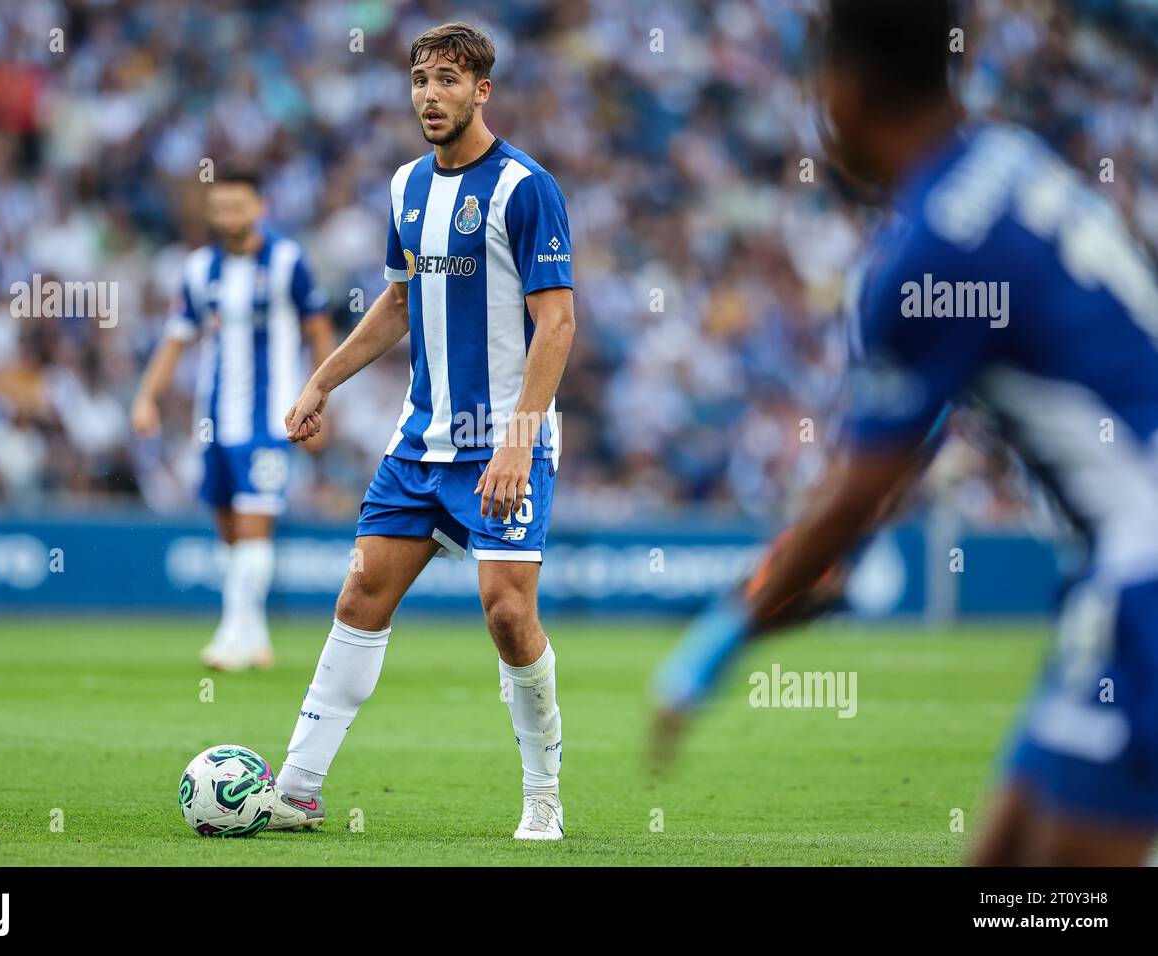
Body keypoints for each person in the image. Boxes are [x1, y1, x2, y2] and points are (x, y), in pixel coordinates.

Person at [651, 0, 1158, 866]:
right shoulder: (1007, 157)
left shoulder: (925, 255)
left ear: (844, 89)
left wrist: (720, 639)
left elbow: (864, 487)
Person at [270, 22, 576, 840]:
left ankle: (543, 791)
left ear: (482, 91)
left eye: (447, 80)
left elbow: (558, 322)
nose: (429, 95)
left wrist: (518, 439)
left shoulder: (525, 187)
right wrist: (320, 382)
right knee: (362, 594)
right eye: (418, 80)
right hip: (420, 444)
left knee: (507, 612)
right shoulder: (406, 184)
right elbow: (398, 304)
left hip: (502, 442)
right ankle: (297, 788)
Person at [132, 166, 334, 671]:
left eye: (236, 207)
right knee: (227, 531)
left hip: (270, 422)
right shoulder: (201, 269)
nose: (226, 216)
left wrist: (322, 400)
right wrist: (145, 398)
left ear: (259, 208)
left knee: (254, 525)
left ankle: (230, 635)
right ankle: (256, 636)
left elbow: (319, 333)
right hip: (215, 421)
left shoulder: (288, 262)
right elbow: (177, 337)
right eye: (219, 207)